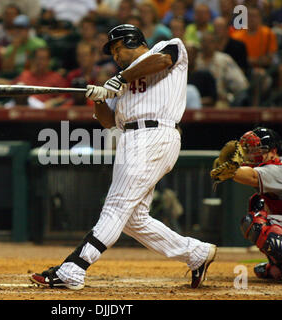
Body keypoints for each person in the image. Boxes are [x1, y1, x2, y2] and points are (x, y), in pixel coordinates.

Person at [30, 24, 217, 290]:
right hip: (131, 138)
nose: (115, 56)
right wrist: (98, 98)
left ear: (132, 41)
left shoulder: (168, 47)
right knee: (133, 219)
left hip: (155, 133)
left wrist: (120, 80)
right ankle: (195, 253)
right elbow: (109, 123)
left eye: (117, 48)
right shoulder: (120, 82)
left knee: (116, 206)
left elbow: (162, 61)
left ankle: (74, 268)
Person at [210, 127, 282, 284]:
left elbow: (251, 176)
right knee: (260, 206)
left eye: (257, 151)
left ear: (273, 151)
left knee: (257, 222)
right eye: (247, 151)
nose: (251, 156)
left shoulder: (276, 169)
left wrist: (228, 166)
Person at [231, 6, 282, 107]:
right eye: (249, 16)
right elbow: (236, 59)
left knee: (259, 74)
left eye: (254, 16)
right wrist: (253, 61)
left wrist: (251, 60)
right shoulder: (236, 36)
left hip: (263, 70)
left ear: (260, 18)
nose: (251, 19)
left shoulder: (268, 34)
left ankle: (264, 105)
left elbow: (269, 59)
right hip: (242, 69)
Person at [195, 32, 249, 108]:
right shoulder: (194, 60)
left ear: (215, 44)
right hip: (197, 100)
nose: (206, 45)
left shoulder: (224, 59)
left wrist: (229, 96)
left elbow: (241, 84)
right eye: (204, 42)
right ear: (200, 43)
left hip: (219, 100)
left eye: (210, 42)